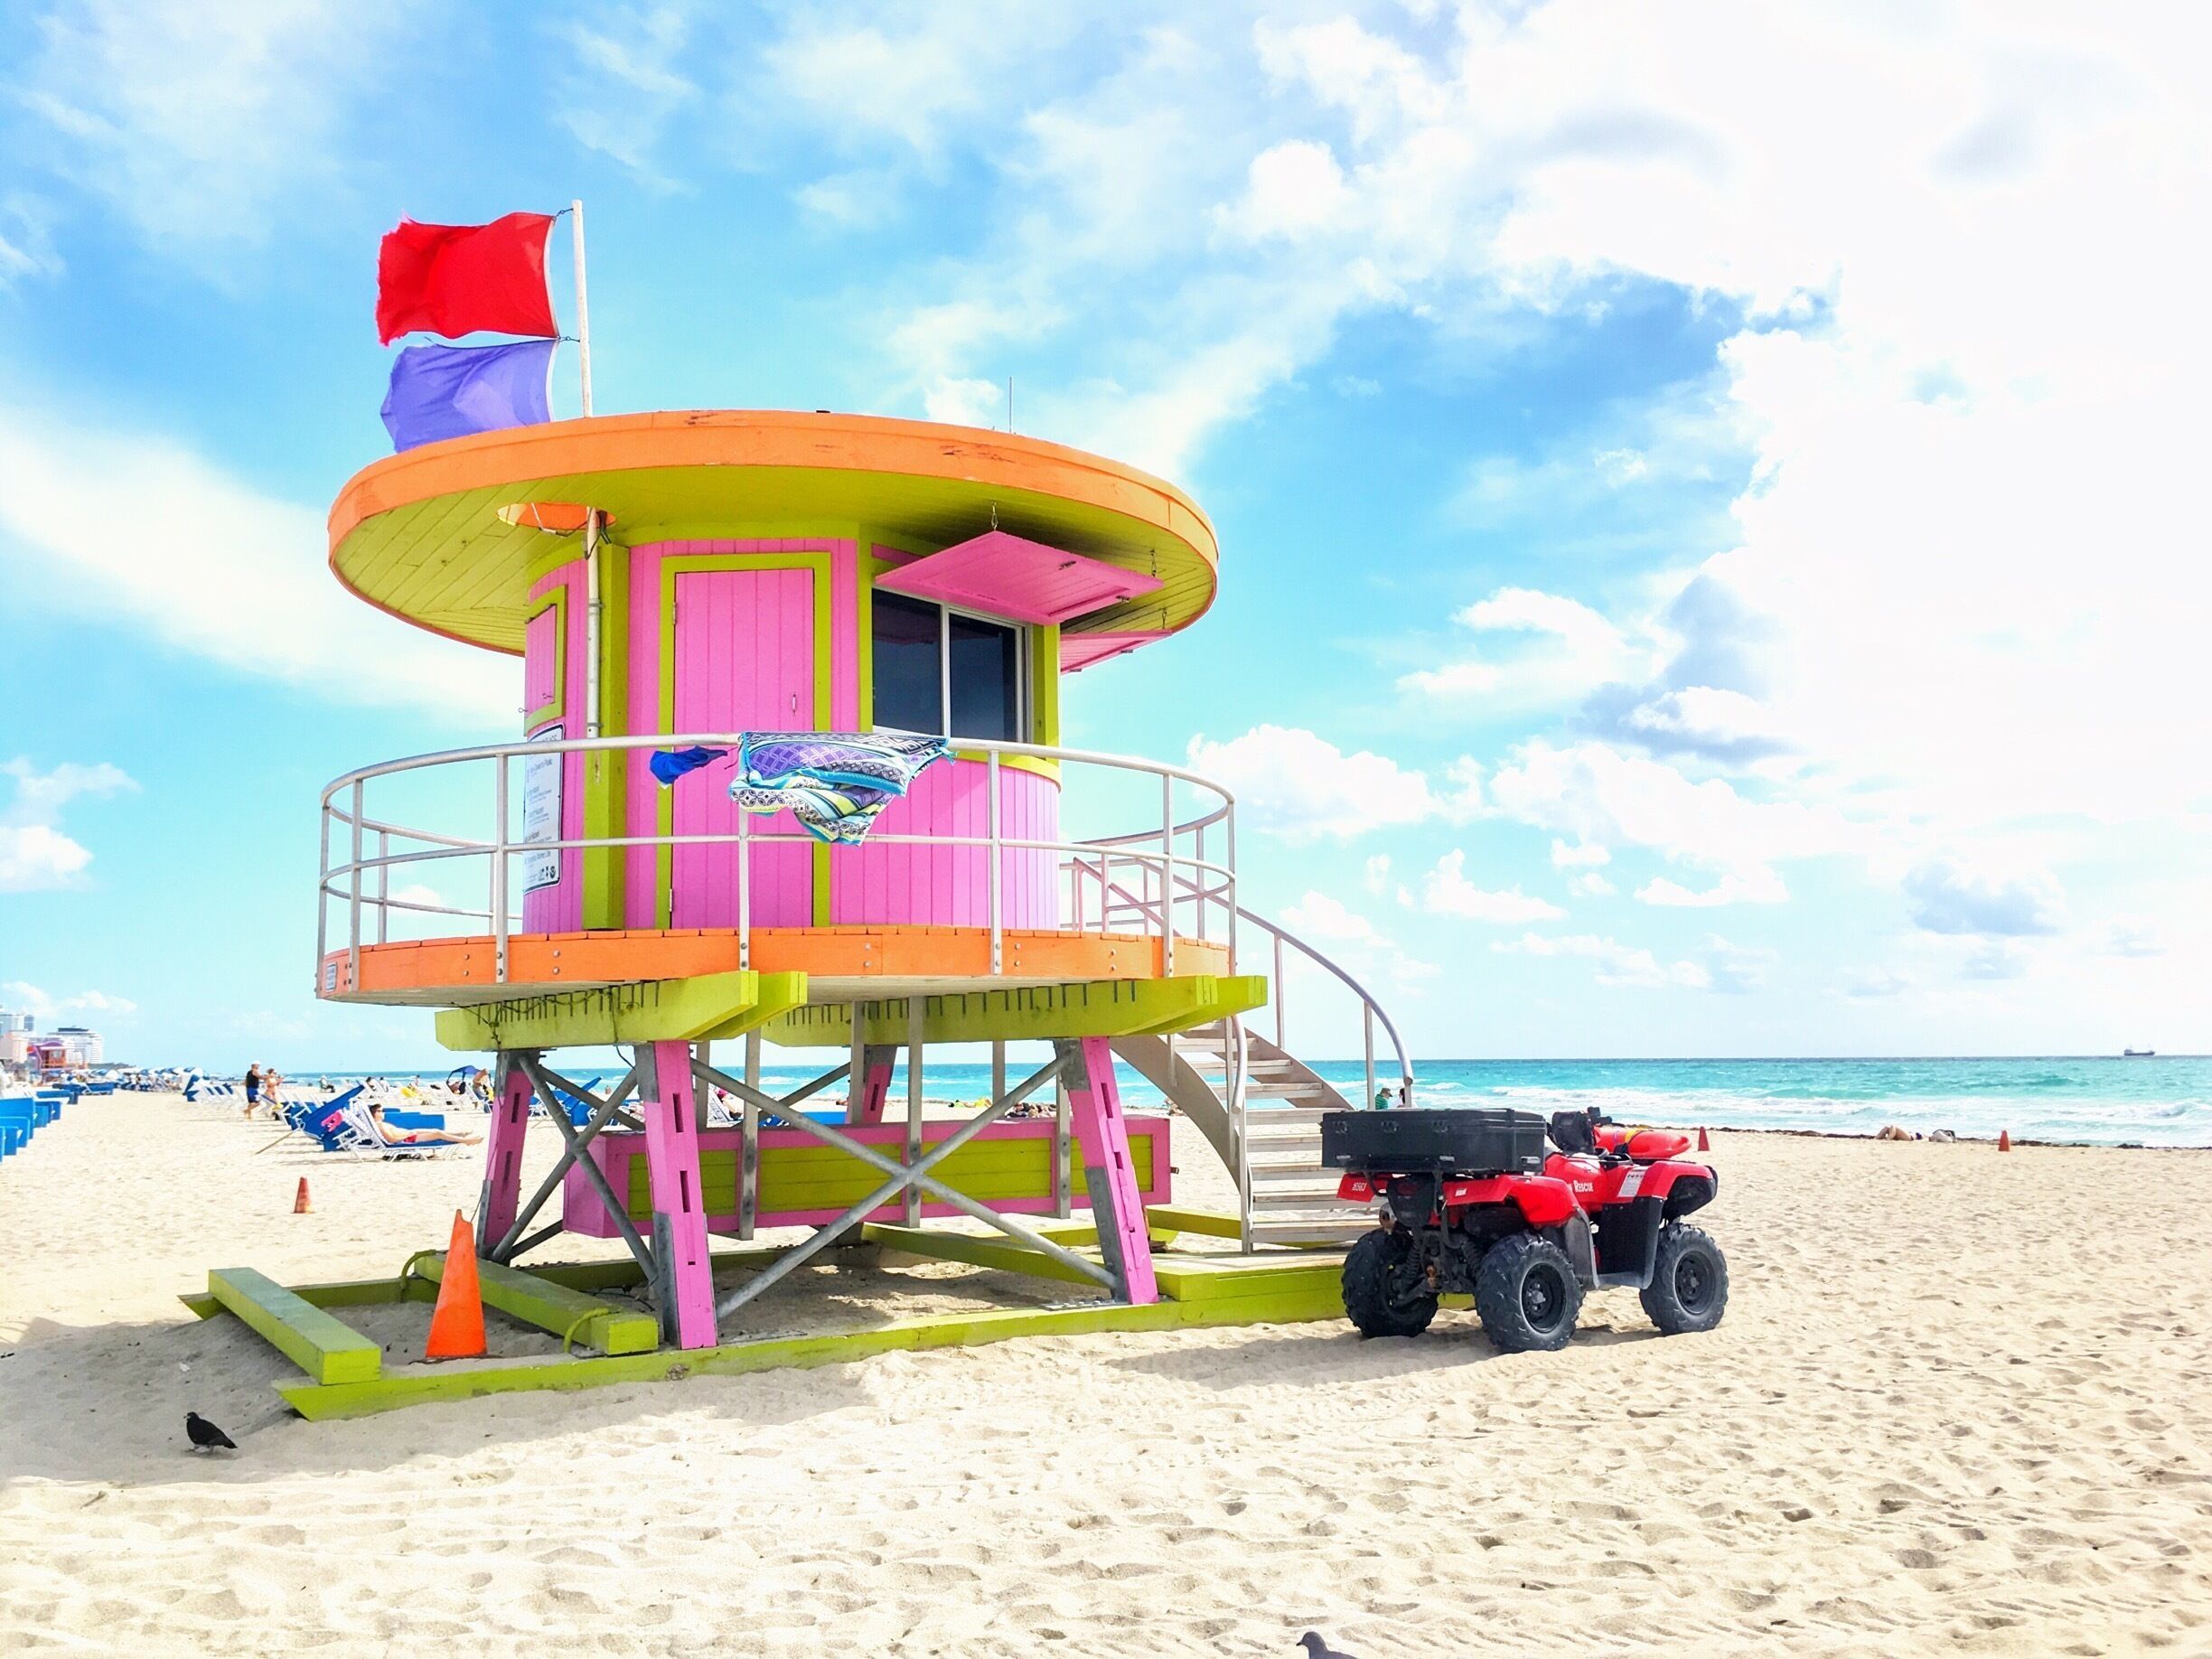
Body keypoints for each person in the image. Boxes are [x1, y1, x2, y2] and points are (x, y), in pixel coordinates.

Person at [365, 1102, 482, 1147]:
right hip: (407, 1139)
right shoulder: (380, 1125)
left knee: (434, 1130)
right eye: (380, 1111)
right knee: (437, 1133)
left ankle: (460, 1134)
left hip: (409, 1135)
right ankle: (466, 1141)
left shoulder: (381, 1124)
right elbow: (391, 1140)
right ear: (374, 1114)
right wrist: (407, 1136)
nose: (383, 1113)